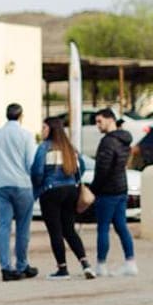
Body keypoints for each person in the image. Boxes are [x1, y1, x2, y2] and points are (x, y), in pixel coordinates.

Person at [31, 117, 94, 280]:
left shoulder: (44, 148)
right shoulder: (70, 148)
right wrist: (73, 181)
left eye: (44, 127)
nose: (42, 131)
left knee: (55, 231)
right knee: (69, 229)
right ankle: (85, 264)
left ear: (51, 129)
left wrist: (39, 187)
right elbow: (83, 166)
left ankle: (62, 269)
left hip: (51, 192)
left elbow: (37, 172)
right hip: (71, 191)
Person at [0, 103, 38, 282]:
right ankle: (22, 265)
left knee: (4, 227)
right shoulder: (26, 135)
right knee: (23, 227)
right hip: (22, 184)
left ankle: (5, 267)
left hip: (2, 185)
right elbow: (31, 162)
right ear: (21, 116)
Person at [91, 108, 138, 276]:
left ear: (110, 120)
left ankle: (101, 265)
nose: (97, 125)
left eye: (100, 121)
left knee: (103, 228)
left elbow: (103, 169)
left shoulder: (108, 142)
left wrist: (93, 189)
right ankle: (130, 262)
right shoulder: (124, 140)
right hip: (121, 188)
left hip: (107, 191)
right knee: (121, 226)